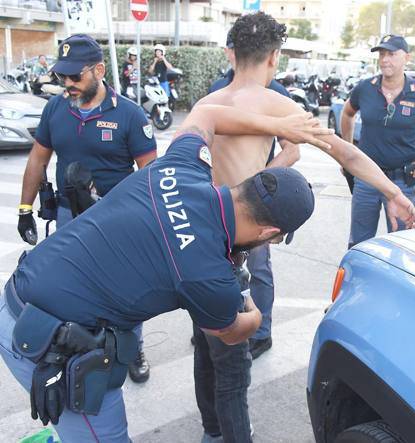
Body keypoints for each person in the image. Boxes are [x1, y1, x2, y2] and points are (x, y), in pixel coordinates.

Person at [0, 103, 330, 442]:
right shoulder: (209, 277)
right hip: (42, 341)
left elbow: (209, 114)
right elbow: (232, 332)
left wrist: (280, 124)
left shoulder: (183, 165)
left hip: (20, 293)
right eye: (277, 237)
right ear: (268, 233)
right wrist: (256, 315)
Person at [193, 12, 415, 443]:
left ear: (232, 53)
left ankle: (210, 431)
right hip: (235, 246)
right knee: (232, 364)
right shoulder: (275, 104)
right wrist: (393, 191)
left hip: (200, 239)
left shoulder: (206, 105)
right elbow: (346, 155)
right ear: (274, 58)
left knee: (206, 345)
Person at [16, 34, 157, 383]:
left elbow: (151, 175)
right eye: (62, 76)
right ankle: (81, 349)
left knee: (126, 289)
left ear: (98, 70)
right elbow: (38, 159)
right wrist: (24, 208)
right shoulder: (56, 108)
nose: (67, 84)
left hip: (115, 220)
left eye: (75, 77)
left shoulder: (129, 115)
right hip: (68, 216)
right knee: (72, 287)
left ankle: (132, 347)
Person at [205, 31, 300, 360]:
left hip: (253, 206)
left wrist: (257, 186)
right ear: (229, 52)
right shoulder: (217, 92)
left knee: (258, 270)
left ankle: (261, 331)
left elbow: (293, 151)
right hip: (215, 204)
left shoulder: (275, 93)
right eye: (231, 48)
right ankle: (214, 326)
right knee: (212, 271)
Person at [341, 34, 415, 249]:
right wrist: (348, 153)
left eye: (391, 54)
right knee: (359, 243)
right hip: (367, 178)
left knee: (402, 243)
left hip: (402, 181)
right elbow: (347, 114)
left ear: (407, 58)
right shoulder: (365, 88)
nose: (385, 59)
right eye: (382, 54)